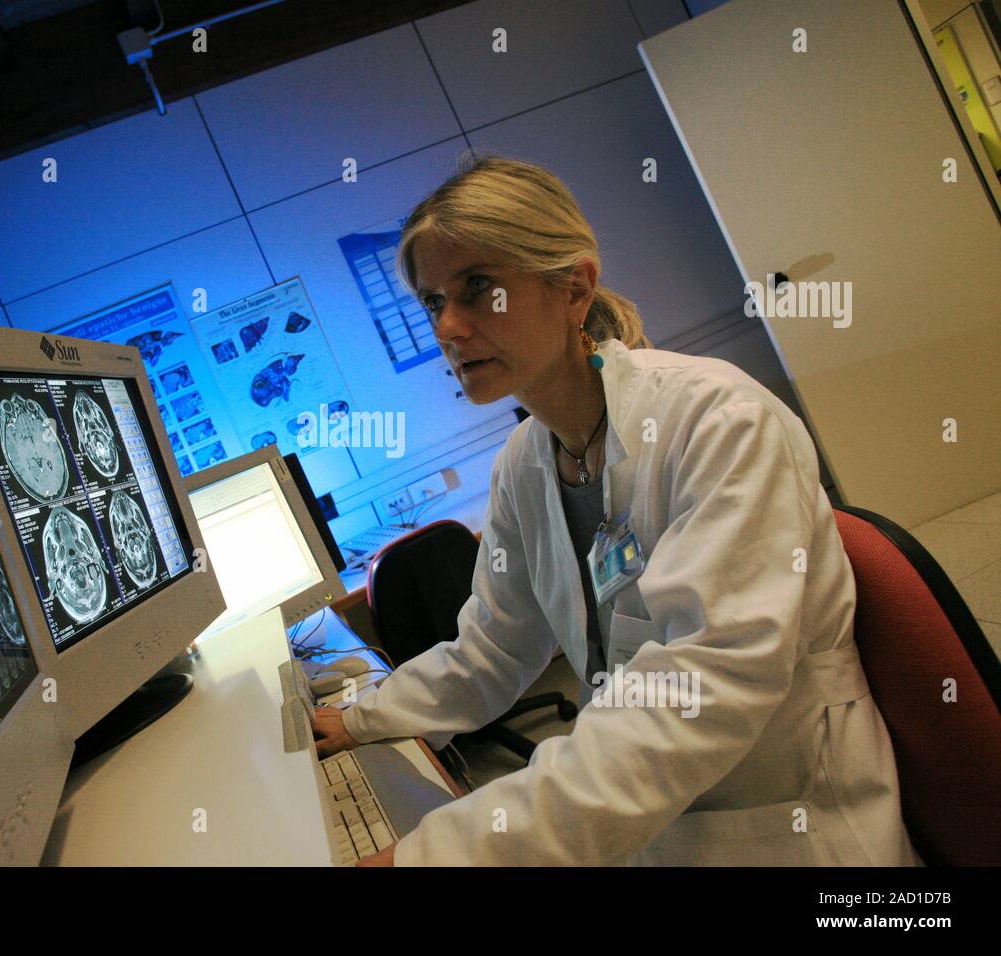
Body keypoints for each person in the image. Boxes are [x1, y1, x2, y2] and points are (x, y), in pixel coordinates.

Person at [312, 154, 921, 867]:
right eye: (431, 301)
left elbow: (697, 692)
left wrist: (442, 856)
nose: (448, 325)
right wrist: (359, 721)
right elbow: (493, 651)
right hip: (653, 817)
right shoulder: (524, 463)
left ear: (574, 288)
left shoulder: (716, 422)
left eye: (478, 288)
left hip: (792, 829)